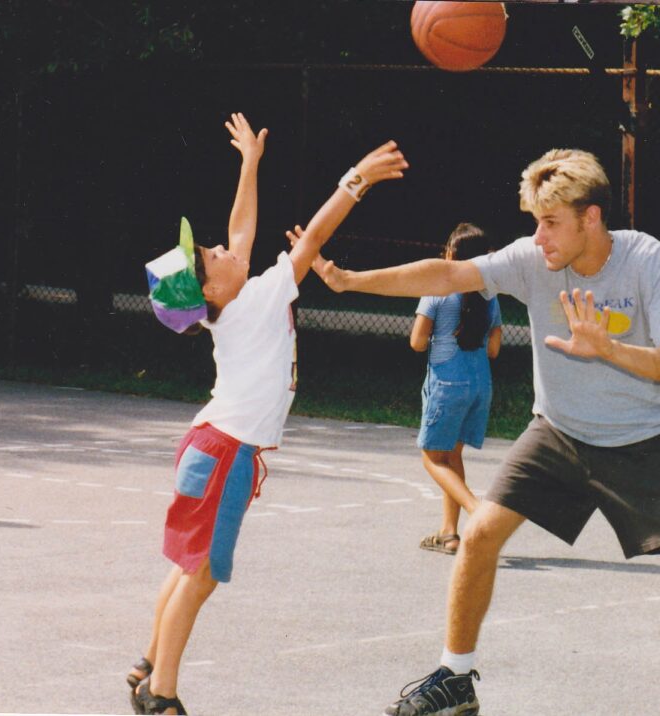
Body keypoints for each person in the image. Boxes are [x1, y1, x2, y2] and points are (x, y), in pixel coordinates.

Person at [313, 148, 660, 716]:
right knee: (479, 534)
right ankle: (456, 678)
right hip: (561, 431)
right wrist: (350, 280)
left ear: (590, 218)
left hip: (647, 434)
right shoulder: (532, 259)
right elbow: (447, 274)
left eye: (550, 222)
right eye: (535, 222)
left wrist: (608, 349)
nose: (538, 236)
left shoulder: (646, 259)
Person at [128, 112, 407, 715]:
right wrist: (357, 178)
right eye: (212, 255)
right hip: (223, 452)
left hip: (210, 445)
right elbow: (313, 238)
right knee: (201, 575)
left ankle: (149, 662)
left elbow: (242, 229)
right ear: (209, 289)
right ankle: (161, 693)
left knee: (188, 566)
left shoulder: (231, 304)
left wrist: (250, 164)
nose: (224, 248)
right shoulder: (258, 296)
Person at [412, 223, 502, 556]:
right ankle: (449, 533)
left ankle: (476, 509)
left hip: (448, 384)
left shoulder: (437, 289)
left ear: (451, 254)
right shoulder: (489, 294)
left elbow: (417, 341)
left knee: (431, 459)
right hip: (480, 384)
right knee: (452, 455)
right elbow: (494, 348)